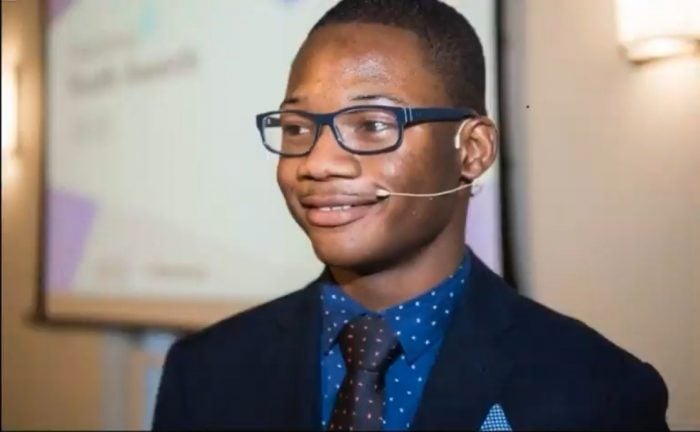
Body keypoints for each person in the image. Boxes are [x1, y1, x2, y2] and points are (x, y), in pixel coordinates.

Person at [152, 0, 668, 430]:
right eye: (295, 128)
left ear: (473, 150)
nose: (317, 162)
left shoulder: (599, 394)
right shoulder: (205, 372)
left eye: (373, 124)